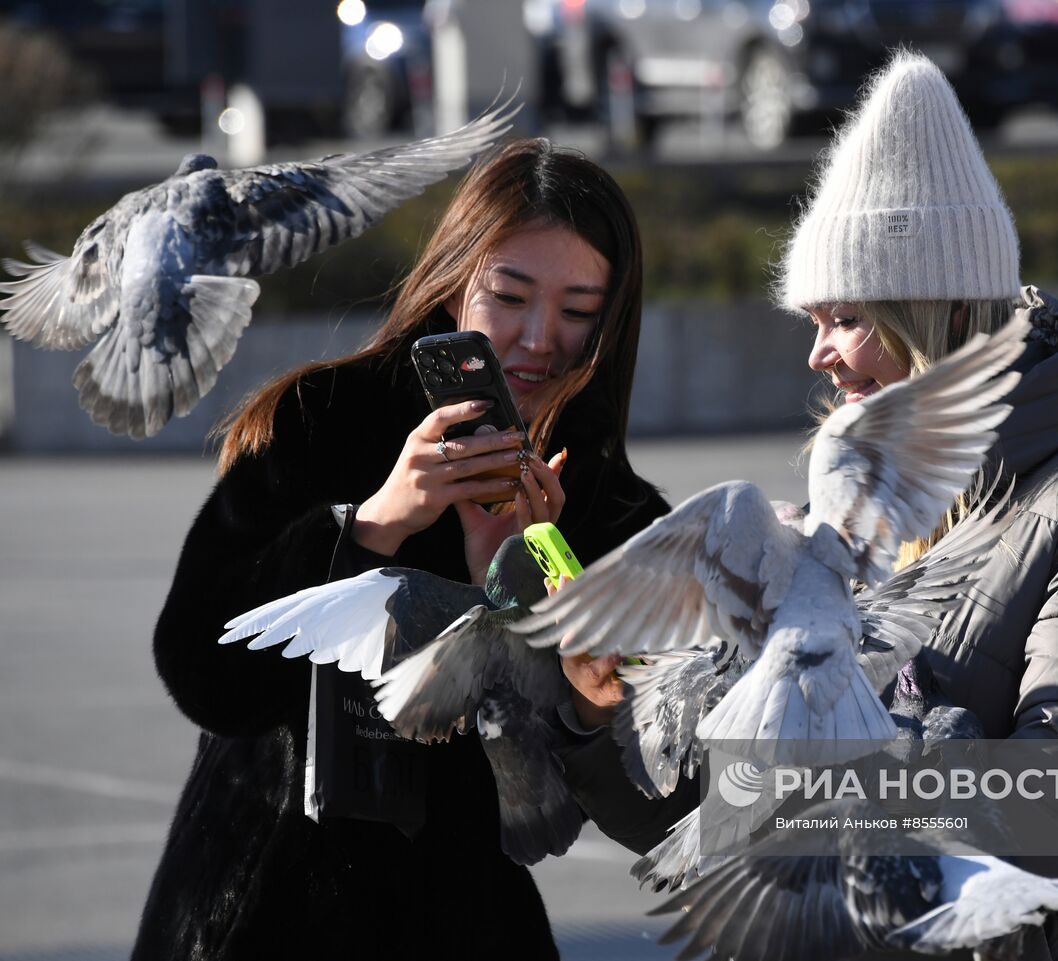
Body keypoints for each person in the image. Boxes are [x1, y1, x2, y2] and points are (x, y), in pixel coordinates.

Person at [132, 138, 699, 961]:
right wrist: (370, 525)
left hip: (461, 921)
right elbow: (198, 665)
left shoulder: (610, 509)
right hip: (261, 912)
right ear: (456, 277)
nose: (539, 338)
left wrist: (517, 584)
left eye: (578, 311)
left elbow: (651, 780)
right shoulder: (324, 418)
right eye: (509, 295)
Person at [778, 52, 1058, 960]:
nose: (819, 354)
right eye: (811, 322)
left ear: (929, 317)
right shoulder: (864, 502)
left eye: (844, 318)